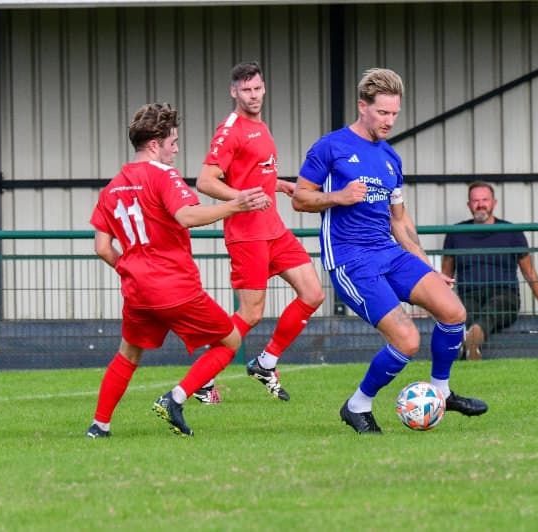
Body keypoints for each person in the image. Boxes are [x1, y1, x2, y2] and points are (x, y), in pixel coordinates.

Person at [292, 68, 488, 435]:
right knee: (407, 340)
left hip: (388, 252)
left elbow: (399, 220)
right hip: (351, 260)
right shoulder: (330, 147)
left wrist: (427, 267)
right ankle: (357, 405)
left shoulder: (390, 158)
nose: (389, 121)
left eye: (394, 113)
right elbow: (300, 198)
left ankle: (442, 392)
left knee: (453, 311)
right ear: (362, 106)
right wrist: (339, 196)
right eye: (382, 112)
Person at [85, 103, 270, 438]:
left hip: (137, 291)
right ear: (154, 144)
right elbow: (185, 216)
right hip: (174, 286)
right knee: (230, 340)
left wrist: (130, 269)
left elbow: (101, 247)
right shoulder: (163, 175)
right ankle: (176, 398)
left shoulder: (112, 188)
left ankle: (99, 426)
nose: (176, 149)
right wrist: (235, 205)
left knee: (128, 354)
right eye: (173, 142)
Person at [195, 61, 325, 403]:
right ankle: (204, 381)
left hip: (274, 230)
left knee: (313, 293)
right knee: (251, 313)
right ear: (234, 92)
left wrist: (277, 184)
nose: (253, 95)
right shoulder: (230, 130)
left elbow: (252, 171)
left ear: (264, 88)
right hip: (247, 233)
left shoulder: (260, 126)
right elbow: (205, 181)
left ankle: (265, 363)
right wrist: (241, 197)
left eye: (257, 88)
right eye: (246, 90)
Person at [441, 181, 538, 361]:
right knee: (464, 312)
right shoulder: (455, 233)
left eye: (485, 200)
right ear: (469, 205)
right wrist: (432, 309)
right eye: (475, 200)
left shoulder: (511, 232)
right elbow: (445, 276)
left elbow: (529, 272)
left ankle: (471, 340)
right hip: (469, 294)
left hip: (504, 294)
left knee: (493, 311)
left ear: (494, 203)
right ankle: (470, 342)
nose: (480, 204)